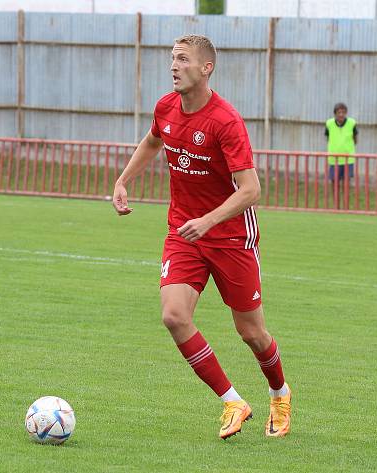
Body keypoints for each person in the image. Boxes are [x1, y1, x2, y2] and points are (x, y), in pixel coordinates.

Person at [111, 34, 291, 440]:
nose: (174, 66)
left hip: (230, 236)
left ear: (206, 68)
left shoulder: (226, 121)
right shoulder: (166, 107)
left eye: (183, 59)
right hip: (184, 231)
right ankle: (232, 401)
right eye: (172, 58)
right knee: (174, 315)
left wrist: (208, 221)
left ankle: (279, 393)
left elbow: (251, 190)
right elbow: (154, 140)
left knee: (251, 332)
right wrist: (124, 180)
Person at [325, 102, 358, 181]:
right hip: (334, 158)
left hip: (348, 158)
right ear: (335, 114)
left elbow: (355, 139)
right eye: (339, 112)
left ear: (346, 113)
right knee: (334, 180)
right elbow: (328, 138)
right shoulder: (329, 124)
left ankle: (344, 194)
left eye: (343, 112)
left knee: (346, 180)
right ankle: (335, 194)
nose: (341, 114)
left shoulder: (352, 123)